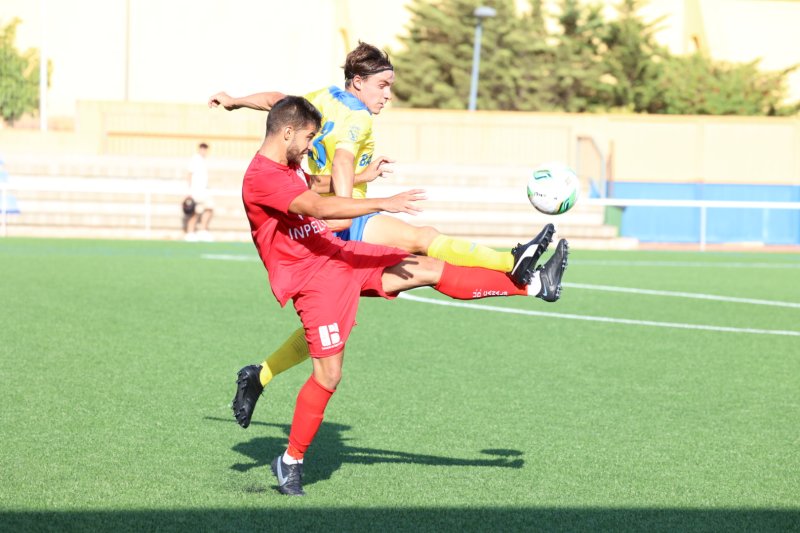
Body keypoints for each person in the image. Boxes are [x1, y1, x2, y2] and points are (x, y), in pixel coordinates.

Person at [233, 95, 568, 496]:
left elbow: (315, 186)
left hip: (338, 256)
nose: (310, 146)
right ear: (286, 132)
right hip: (313, 281)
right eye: (307, 138)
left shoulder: (288, 164)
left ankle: (534, 285)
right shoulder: (261, 178)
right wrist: (382, 202)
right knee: (329, 374)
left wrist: (361, 174)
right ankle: (290, 460)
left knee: (424, 266)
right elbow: (318, 208)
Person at [210, 42, 555, 405]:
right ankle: (511, 263)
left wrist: (236, 101)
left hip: (326, 217)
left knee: (333, 324)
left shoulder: (323, 98)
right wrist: (349, 210)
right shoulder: (357, 115)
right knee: (423, 241)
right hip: (341, 219)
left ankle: (260, 374)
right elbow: (341, 161)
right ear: (358, 82)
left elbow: (277, 102)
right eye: (383, 85)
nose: (388, 95)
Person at [185, 142, 214, 242]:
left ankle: (202, 230)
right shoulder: (195, 159)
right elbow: (189, 175)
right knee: (195, 212)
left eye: (205, 149)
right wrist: (189, 191)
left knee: (209, 208)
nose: (204, 151)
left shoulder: (204, 160)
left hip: (204, 191)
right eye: (202, 148)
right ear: (199, 149)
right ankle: (190, 232)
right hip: (195, 191)